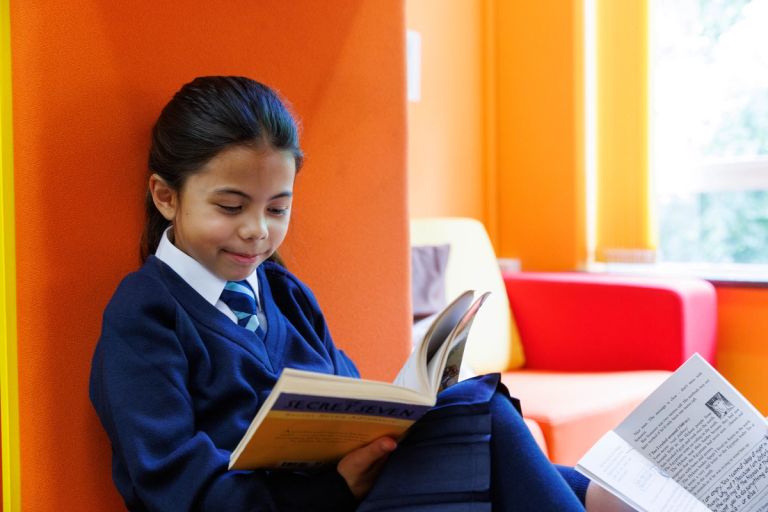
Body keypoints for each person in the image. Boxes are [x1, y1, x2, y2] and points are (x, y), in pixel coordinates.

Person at [89, 76, 632, 511]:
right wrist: (332, 487)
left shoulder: (284, 293)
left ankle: (609, 497)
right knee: (482, 412)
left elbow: (352, 404)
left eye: (278, 208)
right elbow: (175, 490)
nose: (257, 231)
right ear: (165, 196)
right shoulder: (146, 314)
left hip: (353, 495)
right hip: (317, 503)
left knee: (478, 424)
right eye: (230, 207)